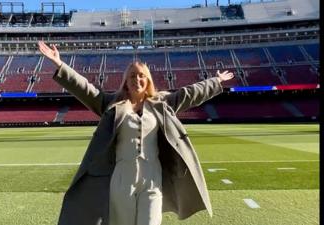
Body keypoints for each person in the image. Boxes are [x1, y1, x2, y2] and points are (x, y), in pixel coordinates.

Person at [38, 41, 234, 225]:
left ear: (147, 80)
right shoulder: (112, 104)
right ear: (126, 81)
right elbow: (85, 89)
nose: (137, 79)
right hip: (122, 178)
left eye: (141, 75)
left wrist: (216, 81)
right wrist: (59, 64)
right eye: (132, 76)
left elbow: (189, 94)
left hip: (152, 178)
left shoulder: (162, 103)